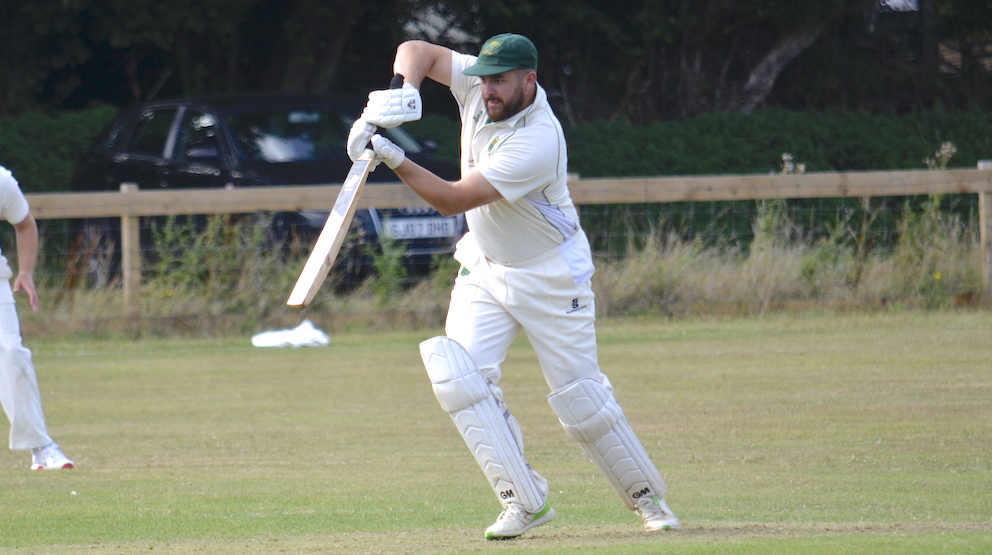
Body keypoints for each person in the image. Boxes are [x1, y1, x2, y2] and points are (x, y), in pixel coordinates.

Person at [347, 33, 678, 539]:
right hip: (484, 264)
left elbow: (455, 200)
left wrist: (390, 155)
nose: (487, 92)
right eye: (482, 79)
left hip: (550, 274)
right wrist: (400, 91)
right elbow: (419, 50)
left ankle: (645, 497)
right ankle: (523, 500)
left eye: (499, 81)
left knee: (580, 398)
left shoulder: (539, 138)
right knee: (461, 377)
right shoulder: (482, 89)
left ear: (530, 80)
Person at [0, 165, 73, 470]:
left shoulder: (1, 182)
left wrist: (26, 272)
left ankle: (42, 448)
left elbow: (25, 225)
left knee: (13, 354)